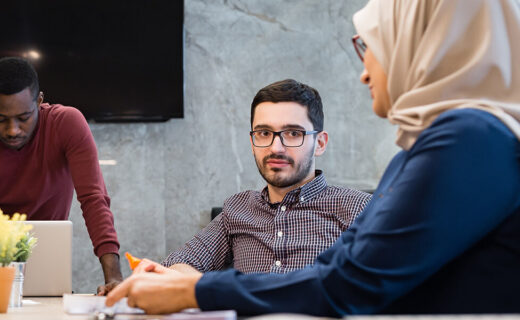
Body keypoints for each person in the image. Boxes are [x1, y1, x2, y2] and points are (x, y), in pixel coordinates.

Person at [106, 0, 520, 315]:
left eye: (370, 46)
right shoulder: (430, 147)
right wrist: (177, 278)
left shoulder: (469, 139)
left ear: (420, 46)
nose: (363, 71)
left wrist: (195, 291)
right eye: (264, 133)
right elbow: (338, 271)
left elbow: (348, 284)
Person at [0, 57, 123, 294]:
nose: (12, 130)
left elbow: (93, 200)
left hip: (47, 263)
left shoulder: (66, 125)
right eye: (0, 119)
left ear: (39, 101)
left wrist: (115, 278)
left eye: (23, 118)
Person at [163, 79, 370, 274]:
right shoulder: (236, 210)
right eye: (264, 133)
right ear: (252, 143)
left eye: (293, 133)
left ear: (320, 143)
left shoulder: (360, 210)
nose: (275, 148)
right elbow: (174, 268)